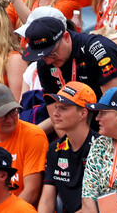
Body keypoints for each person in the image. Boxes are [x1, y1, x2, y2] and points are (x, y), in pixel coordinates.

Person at [22, 14, 117, 103]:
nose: (48, 61)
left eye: (52, 53)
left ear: (65, 37)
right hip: (83, 125)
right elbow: (57, 115)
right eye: (43, 56)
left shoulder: (98, 50)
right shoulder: (44, 62)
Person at [41, 83, 98, 213]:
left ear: (83, 113)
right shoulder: (55, 148)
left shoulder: (101, 147)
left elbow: (100, 206)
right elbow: (46, 200)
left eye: (63, 108)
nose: (55, 113)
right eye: (56, 107)